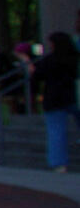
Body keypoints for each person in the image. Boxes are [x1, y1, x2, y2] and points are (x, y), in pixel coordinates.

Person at [39, 33, 78, 171]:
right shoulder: (74, 59)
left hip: (54, 99)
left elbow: (38, 75)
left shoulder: (50, 60)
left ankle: (59, 163)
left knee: (56, 131)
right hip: (73, 96)